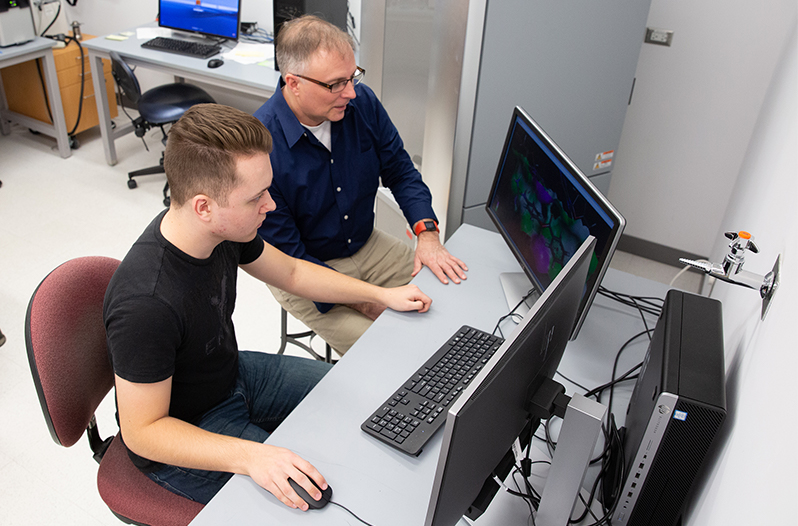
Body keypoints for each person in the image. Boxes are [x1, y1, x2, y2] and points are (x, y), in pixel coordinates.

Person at [103, 104, 431, 508]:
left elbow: (292, 272)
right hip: (184, 431)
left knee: (358, 395)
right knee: (321, 498)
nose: (271, 206)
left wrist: (380, 294)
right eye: (256, 198)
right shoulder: (146, 303)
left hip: (232, 376)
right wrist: (251, 456)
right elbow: (143, 432)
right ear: (204, 206)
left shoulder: (220, 231)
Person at [253, 15, 468, 355]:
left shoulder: (361, 103)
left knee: (453, 297)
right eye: (336, 84)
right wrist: (369, 304)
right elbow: (291, 258)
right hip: (305, 270)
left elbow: (400, 170)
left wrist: (427, 235)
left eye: (353, 77)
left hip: (366, 244)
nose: (350, 92)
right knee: (391, 354)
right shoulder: (261, 145)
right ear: (293, 83)